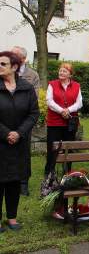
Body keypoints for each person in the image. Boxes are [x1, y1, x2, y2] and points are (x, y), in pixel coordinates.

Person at [0, 51, 39, 231]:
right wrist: (7, 133)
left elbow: (33, 114)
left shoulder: (26, 87)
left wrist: (19, 133)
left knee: (15, 181)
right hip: (1, 142)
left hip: (19, 143)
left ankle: (12, 218)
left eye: (3, 64)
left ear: (14, 67)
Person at [11, 46, 40, 196]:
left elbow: (33, 98)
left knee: (23, 153)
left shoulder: (32, 75)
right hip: (6, 119)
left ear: (22, 59)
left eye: (13, 54)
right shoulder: (5, 73)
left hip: (23, 122)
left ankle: (23, 184)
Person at [45, 63, 82, 176]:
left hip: (70, 123)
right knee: (52, 149)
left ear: (70, 74)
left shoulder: (76, 85)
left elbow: (79, 102)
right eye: (60, 70)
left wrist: (68, 110)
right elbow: (49, 101)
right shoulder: (52, 84)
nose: (61, 73)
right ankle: (49, 173)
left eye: (64, 71)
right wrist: (62, 111)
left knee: (68, 148)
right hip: (54, 122)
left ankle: (67, 173)